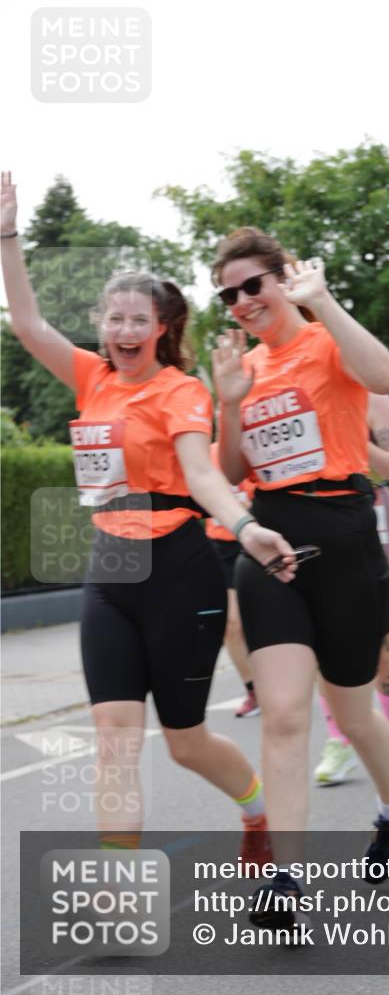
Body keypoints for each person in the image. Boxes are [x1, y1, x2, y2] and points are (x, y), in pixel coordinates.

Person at [0, 172, 297, 868]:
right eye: (115, 319)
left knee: (186, 741)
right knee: (113, 736)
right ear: (102, 325)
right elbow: (27, 324)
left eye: (139, 320)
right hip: (111, 565)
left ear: (162, 328)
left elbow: (202, 473)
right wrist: (8, 236)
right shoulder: (92, 379)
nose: (125, 331)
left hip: (179, 570)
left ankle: (256, 808)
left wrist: (246, 527)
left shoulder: (181, 392)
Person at [211, 227, 389, 929]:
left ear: (282, 280)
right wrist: (229, 403)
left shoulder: (328, 341)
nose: (242, 301)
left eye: (252, 285)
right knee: (285, 714)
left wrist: (322, 300)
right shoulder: (245, 370)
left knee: (353, 713)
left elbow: (385, 377)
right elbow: (231, 472)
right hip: (271, 541)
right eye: (228, 295)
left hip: (345, 536)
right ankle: (286, 878)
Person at [314, 392, 389, 783]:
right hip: (318, 524)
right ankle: (338, 741)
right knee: (322, 647)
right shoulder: (295, 388)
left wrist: (347, 434)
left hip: (374, 523)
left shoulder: (372, 396)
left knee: (381, 645)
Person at [205, 445, 260, 715]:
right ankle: (253, 690)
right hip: (221, 547)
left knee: (265, 621)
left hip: (256, 539)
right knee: (231, 625)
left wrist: (234, 506)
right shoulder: (204, 453)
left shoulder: (253, 447)